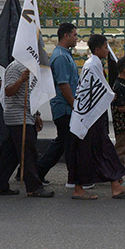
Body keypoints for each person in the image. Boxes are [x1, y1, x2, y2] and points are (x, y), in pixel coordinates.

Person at [67, 34, 125, 200]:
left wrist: (109, 95)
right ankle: (86, 188)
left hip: (90, 117)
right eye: (105, 47)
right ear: (97, 49)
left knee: (96, 151)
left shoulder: (94, 64)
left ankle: (114, 185)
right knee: (95, 150)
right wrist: (110, 96)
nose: (107, 50)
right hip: (89, 117)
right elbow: (94, 90)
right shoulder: (92, 64)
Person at [0, 58, 55, 197]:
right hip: (18, 116)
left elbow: (30, 96)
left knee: (11, 153)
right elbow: (8, 91)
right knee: (28, 153)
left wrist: (36, 114)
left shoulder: (29, 67)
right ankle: (34, 187)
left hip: (26, 115)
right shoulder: (15, 68)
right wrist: (21, 79)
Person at [37, 23, 80, 182]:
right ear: (66, 36)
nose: (76, 38)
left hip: (66, 108)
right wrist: (74, 105)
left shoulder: (65, 54)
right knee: (69, 144)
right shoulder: (61, 57)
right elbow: (63, 85)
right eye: (74, 35)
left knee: (62, 143)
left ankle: (38, 171)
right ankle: (74, 179)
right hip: (64, 108)